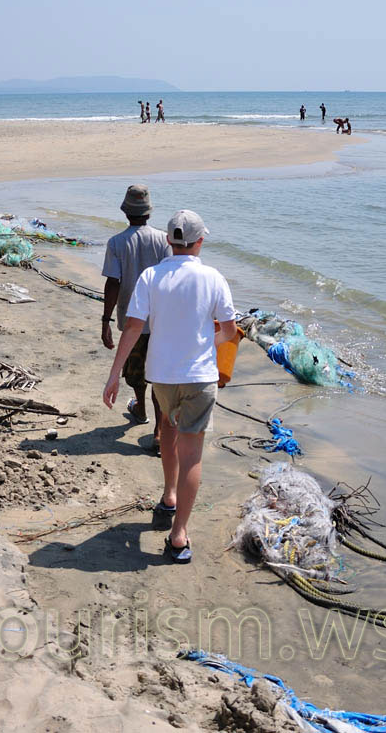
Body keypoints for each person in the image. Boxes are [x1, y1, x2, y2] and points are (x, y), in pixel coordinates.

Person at [103, 209, 236, 564]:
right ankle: (178, 535)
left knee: (167, 428)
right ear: (200, 241)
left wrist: (114, 373)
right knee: (192, 452)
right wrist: (209, 342)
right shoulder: (214, 277)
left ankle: (169, 496)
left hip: (161, 376)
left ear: (168, 241)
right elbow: (229, 331)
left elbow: (132, 327)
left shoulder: (151, 277)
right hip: (200, 377)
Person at [101, 185, 173, 448]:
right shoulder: (164, 241)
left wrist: (105, 321)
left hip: (132, 321)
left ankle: (141, 409)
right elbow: (170, 279)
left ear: (125, 211)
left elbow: (113, 283)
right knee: (158, 376)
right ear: (149, 212)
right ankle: (157, 429)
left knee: (136, 373)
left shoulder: (117, 243)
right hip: (160, 321)